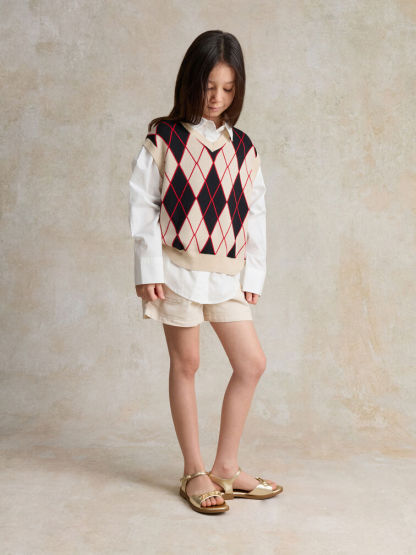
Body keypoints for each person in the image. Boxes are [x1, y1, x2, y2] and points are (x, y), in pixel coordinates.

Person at [128, 30, 283, 515]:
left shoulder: (244, 147)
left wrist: (253, 276)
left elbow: (256, 213)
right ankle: (194, 470)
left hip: (226, 274)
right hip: (175, 270)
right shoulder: (164, 138)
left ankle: (226, 468)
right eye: (209, 86)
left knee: (251, 363)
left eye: (228, 89)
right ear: (190, 82)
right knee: (187, 364)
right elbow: (143, 205)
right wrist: (147, 268)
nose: (216, 97)